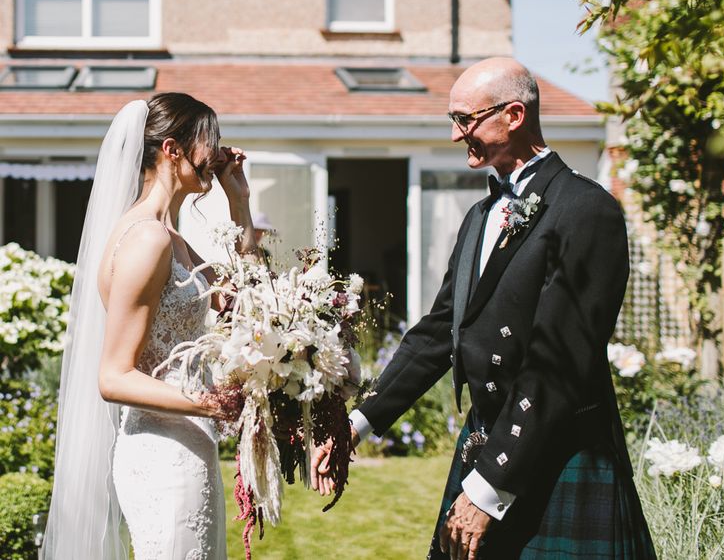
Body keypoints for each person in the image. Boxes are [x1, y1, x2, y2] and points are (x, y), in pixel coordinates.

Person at [312, 58, 655, 559]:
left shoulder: (586, 210)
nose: (456, 135)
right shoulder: (480, 216)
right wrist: (355, 424)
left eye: (464, 120)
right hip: (487, 438)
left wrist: (490, 486)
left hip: (554, 449)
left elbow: (560, 363)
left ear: (513, 115)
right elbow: (437, 335)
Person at [43, 93, 260, 559]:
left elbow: (245, 302)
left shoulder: (171, 237)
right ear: (172, 149)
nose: (217, 152)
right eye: (210, 140)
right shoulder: (147, 238)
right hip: (163, 455)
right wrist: (217, 403)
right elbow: (113, 376)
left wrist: (239, 202)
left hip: (186, 444)